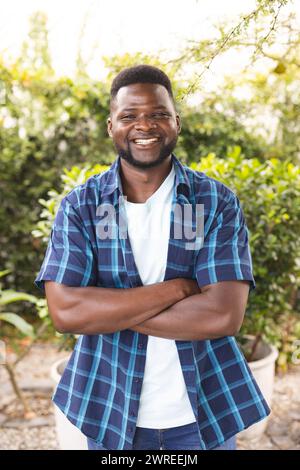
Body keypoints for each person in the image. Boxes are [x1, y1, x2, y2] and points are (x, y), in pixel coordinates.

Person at [35, 64, 270, 451]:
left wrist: (108, 310)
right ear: (111, 126)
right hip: (110, 407)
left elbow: (222, 316)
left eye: (158, 114)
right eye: (129, 116)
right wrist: (178, 289)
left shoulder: (214, 202)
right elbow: (66, 314)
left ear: (176, 122)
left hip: (204, 412)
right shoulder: (82, 207)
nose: (145, 125)